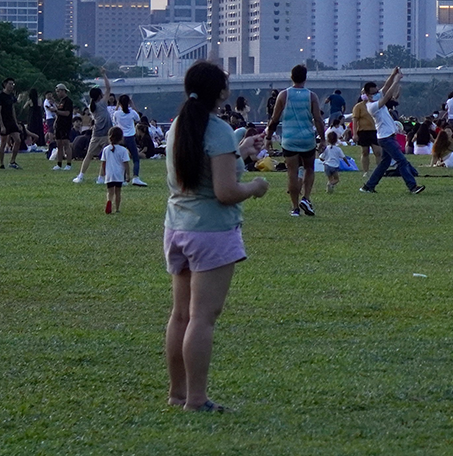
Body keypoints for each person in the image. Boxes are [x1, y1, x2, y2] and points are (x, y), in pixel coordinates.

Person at [163, 60, 269, 412]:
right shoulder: (218, 129)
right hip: (211, 232)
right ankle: (196, 399)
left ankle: (177, 393)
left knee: (180, 315)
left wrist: (239, 154)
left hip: (178, 228)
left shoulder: (179, 126)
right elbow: (225, 192)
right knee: (202, 317)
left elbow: (199, 170)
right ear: (221, 92)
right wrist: (254, 186)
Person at [267, 65, 325, 218]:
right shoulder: (311, 96)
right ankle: (306, 198)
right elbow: (318, 119)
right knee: (309, 168)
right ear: (305, 78)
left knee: (292, 173)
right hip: (307, 139)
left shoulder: (283, 95)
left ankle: (294, 207)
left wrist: (268, 137)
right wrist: (323, 139)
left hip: (289, 140)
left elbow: (274, 119)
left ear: (291, 77)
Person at [359, 68, 424, 194]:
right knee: (402, 161)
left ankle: (368, 186)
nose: (378, 93)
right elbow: (388, 95)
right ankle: (412, 186)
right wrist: (397, 80)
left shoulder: (377, 98)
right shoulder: (372, 106)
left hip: (387, 136)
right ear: (368, 95)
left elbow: (386, 86)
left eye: (377, 91)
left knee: (384, 164)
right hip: (385, 138)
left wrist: (393, 74)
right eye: (374, 92)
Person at [73, 74, 114, 183]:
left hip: (96, 134)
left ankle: (81, 176)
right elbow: (109, 88)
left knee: (89, 155)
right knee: (105, 157)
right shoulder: (102, 103)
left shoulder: (93, 106)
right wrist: (104, 74)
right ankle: (100, 177)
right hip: (106, 134)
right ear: (100, 95)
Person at [110, 94, 148, 187]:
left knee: (121, 159)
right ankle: (135, 177)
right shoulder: (132, 113)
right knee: (135, 158)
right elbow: (138, 118)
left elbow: (114, 121)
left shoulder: (117, 113)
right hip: (130, 137)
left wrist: (118, 106)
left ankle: (122, 179)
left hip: (121, 138)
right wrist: (133, 105)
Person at [100, 127, 133, 213]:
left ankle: (109, 202)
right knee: (118, 192)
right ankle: (117, 209)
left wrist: (103, 172)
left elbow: (103, 162)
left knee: (110, 191)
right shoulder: (123, 150)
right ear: (121, 138)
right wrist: (128, 174)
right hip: (119, 174)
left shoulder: (106, 149)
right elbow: (126, 163)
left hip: (109, 174)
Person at [0, 78, 22, 170]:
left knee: (18, 140)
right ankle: (1, 163)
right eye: (10, 84)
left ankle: (12, 161)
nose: (11, 86)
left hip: (11, 121)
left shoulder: (11, 96)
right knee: (3, 142)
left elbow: (13, 109)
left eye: (13, 84)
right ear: (5, 84)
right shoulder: (1, 96)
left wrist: (16, 122)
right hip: (4, 121)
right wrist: (2, 125)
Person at [51, 85, 75, 170]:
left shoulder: (68, 101)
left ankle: (68, 164)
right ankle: (59, 164)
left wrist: (56, 111)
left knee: (66, 144)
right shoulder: (61, 101)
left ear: (63, 91)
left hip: (65, 125)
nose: (57, 93)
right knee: (59, 144)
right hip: (59, 125)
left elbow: (67, 113)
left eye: (58, 91)